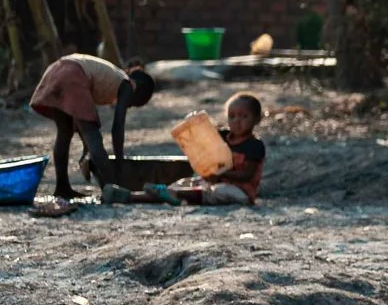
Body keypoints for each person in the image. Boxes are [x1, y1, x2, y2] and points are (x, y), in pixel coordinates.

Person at [28, 52, 154, 201]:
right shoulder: (127, 84)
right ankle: (113, 188)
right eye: (132, 104)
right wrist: (120, 162)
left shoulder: (113, 76)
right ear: (138, 93)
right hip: (74, 74)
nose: (129, 105)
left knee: (65, 132)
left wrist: (86, 147)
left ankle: (62, 187)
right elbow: (117, 126)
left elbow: (81, 116)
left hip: (57, 69)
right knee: (93, 136)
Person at [108, 92, 268, 206]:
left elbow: (247, 175)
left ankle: (170, 195)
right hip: (216, 180)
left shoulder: (254, 145)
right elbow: (205, 136)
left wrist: (218, 175)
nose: (237, 121)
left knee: (214, 192)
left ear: (256, 119)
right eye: (232, 116)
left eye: (244, 116)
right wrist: (195, 122)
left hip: (240, 192)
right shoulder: (224, 136)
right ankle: (131, 196)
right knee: (183, 184)